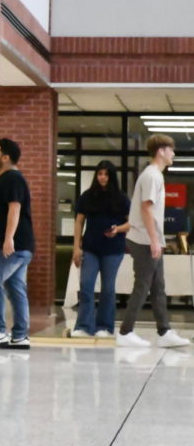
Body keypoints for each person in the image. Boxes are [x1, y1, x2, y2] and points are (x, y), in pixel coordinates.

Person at [116, 134, 190, 348]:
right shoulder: (152, 176)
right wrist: (154, 240)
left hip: (148, 240)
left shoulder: (155, 175)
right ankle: (125, 332)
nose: (173, 154)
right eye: (171, 150)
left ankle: (164, 330)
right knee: (143, 286)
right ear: (161, 151)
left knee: (158, 287)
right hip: (145, 241)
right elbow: (146, 208)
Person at [0, 138, 35, 349]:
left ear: (5, 157)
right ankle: (20, 335)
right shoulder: (6, 179)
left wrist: (8, 238)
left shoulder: (12, 178)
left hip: (13, 244)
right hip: (17, 244)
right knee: (15, 286)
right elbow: (0, 216)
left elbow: (15, 208)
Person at [70, 160, 130, 338]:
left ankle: (104, 327)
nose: (102, 177)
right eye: (100, 174)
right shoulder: (87, 196)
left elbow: (131, 223)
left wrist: (118, 229)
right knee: (86, 285)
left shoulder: (121, 198)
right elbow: (79, 222)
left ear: (111, 176)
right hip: (90, 247)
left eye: (106, 174)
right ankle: (83, 326)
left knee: (108, 288)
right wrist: (76, 248)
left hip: (113, 249)